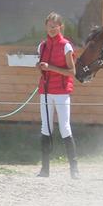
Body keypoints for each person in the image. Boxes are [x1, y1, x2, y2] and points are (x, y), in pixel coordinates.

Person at [36, 12, 79, 178]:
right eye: (49, 26)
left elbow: (72, 71)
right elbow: (42, 67)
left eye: (55, 26)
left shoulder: (66, 46)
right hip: (45, 91)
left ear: (60, 27)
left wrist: (51, 68)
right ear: (46, 27)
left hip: (61, 93)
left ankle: (74, 169)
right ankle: (44, 169)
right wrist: (40, 67)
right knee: (45, 127)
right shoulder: (42, 46)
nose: (52, 29)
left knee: (64, 127)